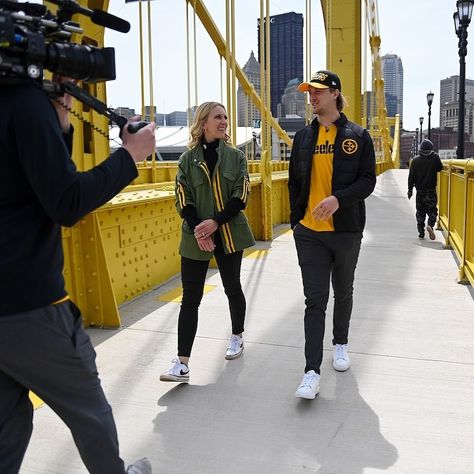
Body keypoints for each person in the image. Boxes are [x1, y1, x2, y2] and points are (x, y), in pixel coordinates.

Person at [0, 77, 156, 474]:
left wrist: (61, 126)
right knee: (89, 410)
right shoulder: (25, 102)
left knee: (8, 423)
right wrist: (130, 156)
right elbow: (66, 201)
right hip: (30, 307)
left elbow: (27, 181)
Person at [288, 70, 376, 400]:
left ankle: (340, 343)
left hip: (345, 231)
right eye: (310, 92)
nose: (312, 97)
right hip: (309, 233)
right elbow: (294, 183)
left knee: (343, 291)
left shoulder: (358, 135)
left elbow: (368, 180)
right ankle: (311, 371)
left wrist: (338, 199)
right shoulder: (302, 138)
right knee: (315, 300)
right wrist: (297, 221)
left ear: (335, 94)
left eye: (319, 92)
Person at [160, 101, 255, 383]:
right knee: (190, 298)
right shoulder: (186, 160)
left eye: (226, 116)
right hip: (195, 235)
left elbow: (242, 195)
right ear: (204, 123)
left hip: (228, 231)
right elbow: (182, 197)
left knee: (232, 287)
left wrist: (215, 223)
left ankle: (237, 335)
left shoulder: (236, 157)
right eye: (218, 117)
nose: (224, 121)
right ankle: (182, 363)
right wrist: (199, 230)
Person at [407, 138, 443, 240]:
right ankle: (430, 225)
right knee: (432, 210)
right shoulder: (435, 157)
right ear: (431, 148)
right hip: (431, 190)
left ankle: (421, 232)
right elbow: (440, 168)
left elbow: (411, 177)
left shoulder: (415, 160)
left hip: (420, 191)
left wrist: (410, 190)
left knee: (420, 211)